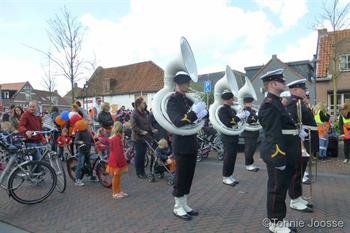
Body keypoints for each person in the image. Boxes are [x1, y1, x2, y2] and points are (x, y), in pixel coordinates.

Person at [258, 69, 298, 233]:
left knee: (281, 188)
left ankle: (279, 221)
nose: (285, 83)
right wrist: (279, 158)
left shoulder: (276, 103)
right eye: (281, 81)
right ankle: (274, 224)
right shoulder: (269, 104)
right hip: (278, 153)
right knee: (276, 188)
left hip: (285, 151)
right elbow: (273, 134)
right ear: (273, 84)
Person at [166, 72, 207, 221]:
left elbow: (196, 117)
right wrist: (193, 115)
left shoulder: (187, 99)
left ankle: (184, 203)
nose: (189, 86)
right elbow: (177, 121)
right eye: (186, 83)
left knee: (189, 174)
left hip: (191, 141)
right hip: (181, 142)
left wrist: (203, 112)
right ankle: (177, 206)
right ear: (179, 84)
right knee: (181, 175)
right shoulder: (173, 100)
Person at [285, 79, 316, 212]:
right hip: (299, 144)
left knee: (300, 171)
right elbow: (292, 124)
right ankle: (294, 199)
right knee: (296, 172)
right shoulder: (293, 104)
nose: (305, 91)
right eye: (303, 89)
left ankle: (298, 196)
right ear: (296, 90)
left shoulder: (299, 103)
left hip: (305, 142)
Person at [218, 90, 248, 186]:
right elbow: (228, 123)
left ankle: (230, 175)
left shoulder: (230, 109)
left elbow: (235, 122)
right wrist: (238, 117)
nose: (234, 100)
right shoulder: (222, 109)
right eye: (232, 98)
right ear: (229, 99)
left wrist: (241, 116)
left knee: (232, 157)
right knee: (228, 157)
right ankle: (225, 177)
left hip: (233, 136)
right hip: (227, 137)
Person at [130, 97, 157, 178]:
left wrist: (152, 129)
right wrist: (141, 132)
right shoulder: (134, 113)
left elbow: (148, 124)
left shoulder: (145, 113)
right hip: (138, 138)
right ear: (139, 104)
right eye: (143, 103)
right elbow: (134, 126)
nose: (145, 104)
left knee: (143, 155)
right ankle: (139, 173)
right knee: (139, 156)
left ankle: (143, 172)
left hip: (145, 138)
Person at [106, 121, 128, 199]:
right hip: (116, 161)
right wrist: (121, 161)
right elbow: (117, 152)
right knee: (116, 177)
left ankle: (118, 191)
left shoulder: (116, 137)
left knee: (118, 177)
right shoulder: (116, 139)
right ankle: (115, 193)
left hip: (115, 159)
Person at [240, 95, 260, 172]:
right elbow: (249, 120)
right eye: (248, 103)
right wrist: (257, 115)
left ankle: (251, 164)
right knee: (249, 149)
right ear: (245, 103)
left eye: (251, 102)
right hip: (248, 133)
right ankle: (248, 165)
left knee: (252, 149)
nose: (250, 104)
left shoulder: (252, 110)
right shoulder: (244, 111)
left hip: (253, 132)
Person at [74, 120, 94, 186]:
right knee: (80, 165)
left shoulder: (87, 132)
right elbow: (76, 141)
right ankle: (77, 180)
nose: (87, 125)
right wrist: (80, 142)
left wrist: (96, 141)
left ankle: (91, 176)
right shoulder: (79, 132)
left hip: (88, 150)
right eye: (86, 125)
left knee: (89, 164)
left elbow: (91, 139)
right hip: (82, 151)